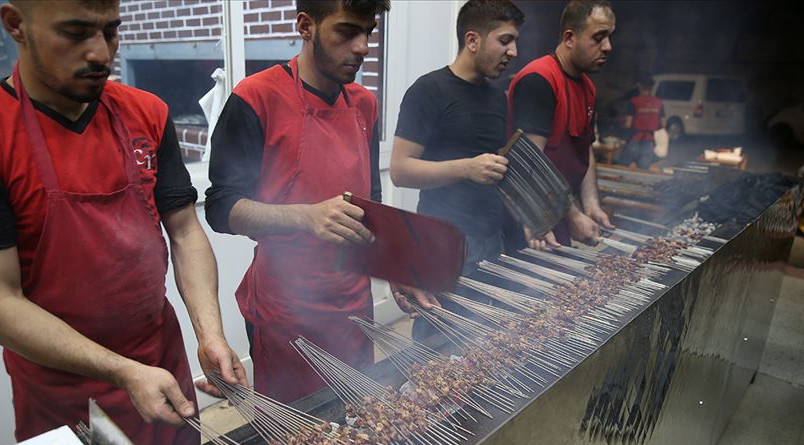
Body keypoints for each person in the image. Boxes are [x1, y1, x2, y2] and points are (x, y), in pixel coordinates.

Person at [0, 0, 246, 445]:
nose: (101, 53)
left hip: (161, 361)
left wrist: (210, 333)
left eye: (110, 31)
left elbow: (184, 232)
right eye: (76, 31)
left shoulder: (147, 114)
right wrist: (122, 371)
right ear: (15, 24)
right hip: (62, 390)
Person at [206, 0, 433, 404]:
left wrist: (396, 267)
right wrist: (306, 217)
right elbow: (221, 207)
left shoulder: (364, 103)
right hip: (285, 313)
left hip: (352, 303)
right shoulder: (256, 98)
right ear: (306, 26)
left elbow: (371, 204)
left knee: (357, 418)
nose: (362, 46)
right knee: (299, 439)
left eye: (369, 32)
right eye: (347, 32)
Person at [390, 0, 540, 339]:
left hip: (491, 246)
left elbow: (494, 175)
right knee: (436, 361)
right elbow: (401, 170)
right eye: (505, 40)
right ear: (472, 40)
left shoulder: (497, 99)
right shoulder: (428, 90)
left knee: (485, 352)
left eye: (515, 41)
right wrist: (467, 168)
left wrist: (528, 220)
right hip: (443, 252)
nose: (514, 51)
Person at [506, 0, 616, 249]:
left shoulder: (587, 87)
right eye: (598, 37)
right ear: (569, 38)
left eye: (609, 37)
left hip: (561, 215)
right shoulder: (539, 80)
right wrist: (574, 214)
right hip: (530, 222)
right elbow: (530, 163)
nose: (608, 47)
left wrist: (591, 205)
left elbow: (584, 149)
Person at [616, 76, 665, 168]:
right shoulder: (659, 103)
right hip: (649, 142)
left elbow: (628, 124)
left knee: (623, 169)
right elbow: (663, 124)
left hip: (634, 140)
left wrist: (621, 122)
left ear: (639, 86)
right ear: (652, 87)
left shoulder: (634, 101)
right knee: (642, 172)